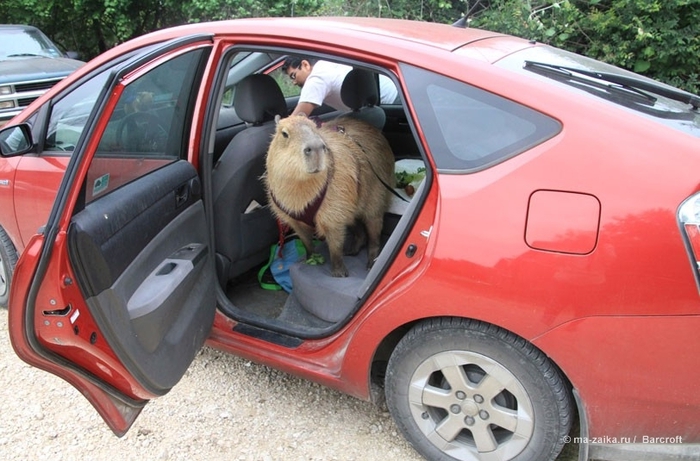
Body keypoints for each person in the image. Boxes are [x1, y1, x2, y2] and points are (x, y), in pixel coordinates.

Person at [282, 56, 398, 117]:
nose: (294, 82)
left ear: (305, 65)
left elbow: (295, 121)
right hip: (395, 94)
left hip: (391, 102)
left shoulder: (316, 79)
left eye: (293, 76)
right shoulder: (326, 63)